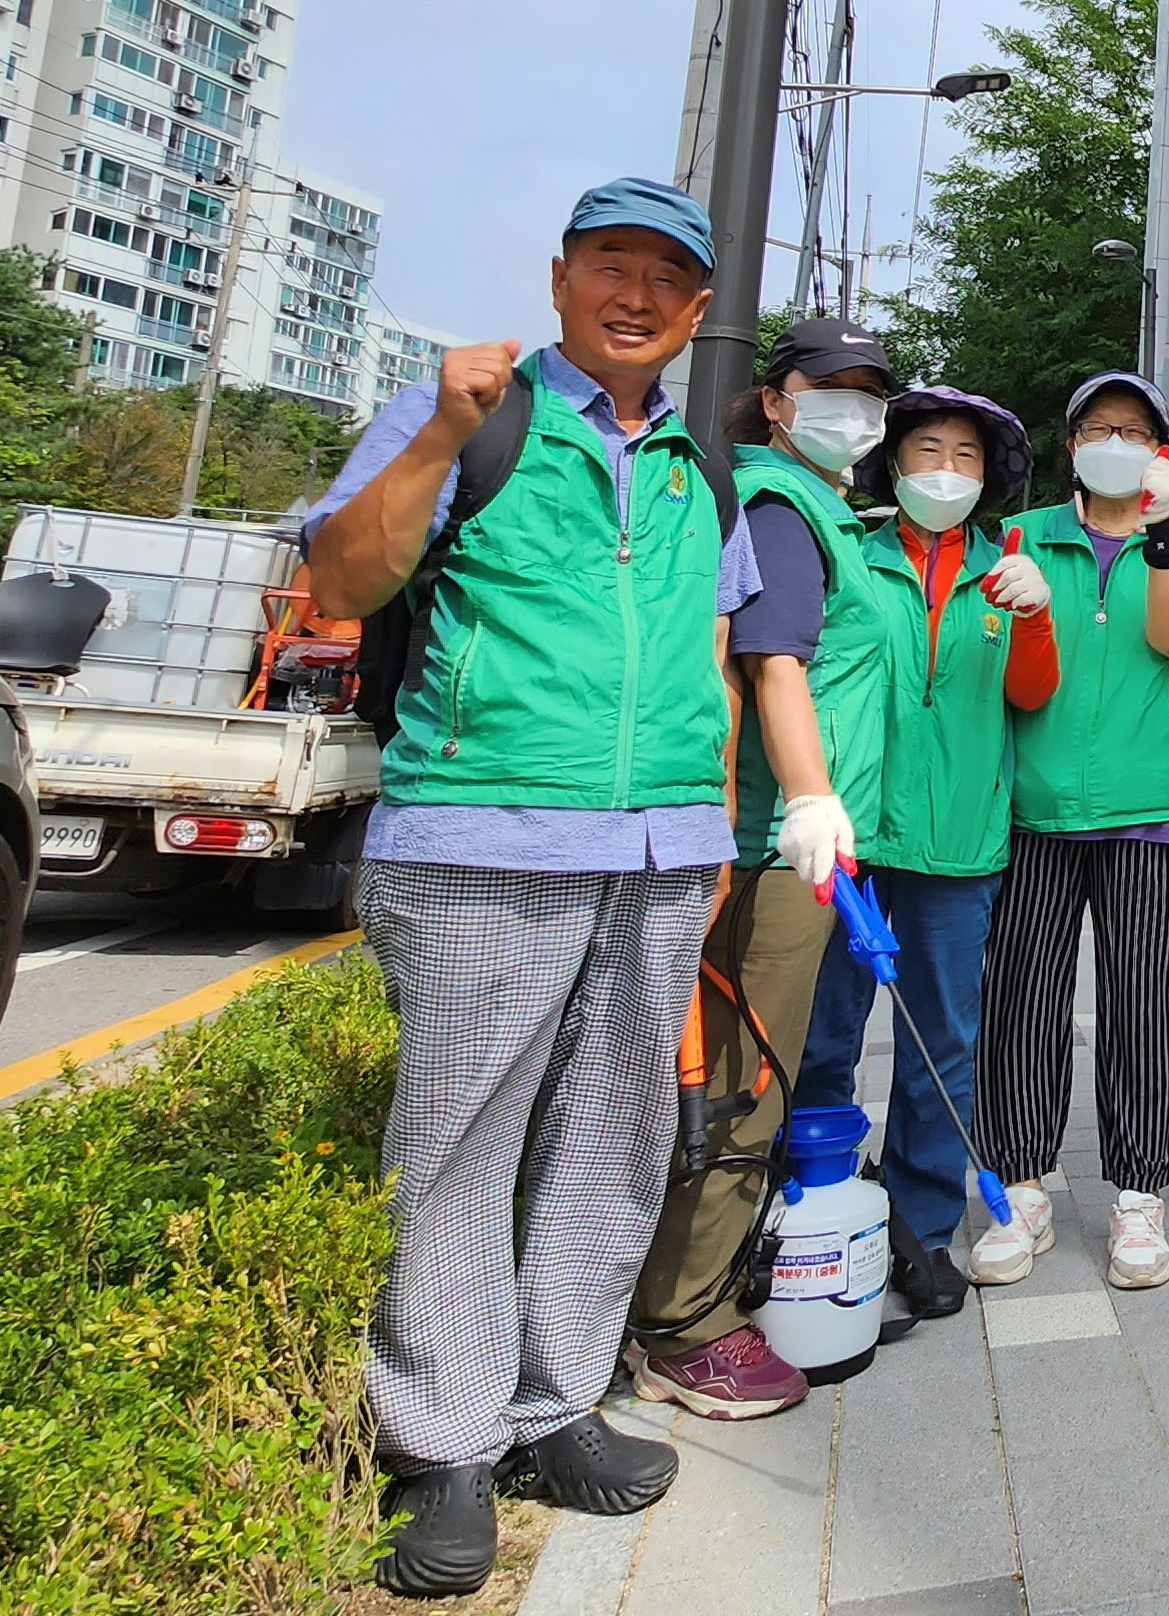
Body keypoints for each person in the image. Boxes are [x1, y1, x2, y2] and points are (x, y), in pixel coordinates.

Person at [299, 179, 758, 1599]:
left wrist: (717, 824)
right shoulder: (475, 416)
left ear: (693, 310)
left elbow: (718, 657)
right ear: (562, 277)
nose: (637, 296)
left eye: (666, 279)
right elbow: (341, 578)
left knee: (614, 1136)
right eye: (611, 267)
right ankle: (440, 1440)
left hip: (660, 850)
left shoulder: (702, 465)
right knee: (457, 1138)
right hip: (481, 836)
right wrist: (439, 428)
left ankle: (552, 1403)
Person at [618, 317, 897, 1424]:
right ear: (775, 400)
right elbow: (773, 663)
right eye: (831, 388)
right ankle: (682, 1320)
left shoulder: (825, 509)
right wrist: (812, 800)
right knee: (744, 1072)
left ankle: (690, 1283)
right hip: (779, 841)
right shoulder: (781, 511)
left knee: (748, 1069)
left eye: (872, 394)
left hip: (810, 838)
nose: (857, 411)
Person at [788, 386, 1056, 1323]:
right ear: (892, 464)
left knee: (939, 1041)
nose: (946, 470)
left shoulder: (1006, 570)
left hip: (958, 842)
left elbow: (1031, 694)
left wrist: (1036, 616)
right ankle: (807, 1205)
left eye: (966, 457)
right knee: (823, 1029)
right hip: (850, 834)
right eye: (928, 450)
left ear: (989, 478)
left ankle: (918, 1225)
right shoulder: (846, 552)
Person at [967, 370, 1169, 1292]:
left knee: (1142, 1009)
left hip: (1150, 816)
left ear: (1160, 450)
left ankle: (1139, 1194)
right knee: (1022, 1002)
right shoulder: (1019, 536)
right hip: (1032, 812)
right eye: (1098, 426)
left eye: (1135, 429)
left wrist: (1157, 532)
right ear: (1072, 444)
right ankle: (1020, 1189)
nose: (1115, 440)